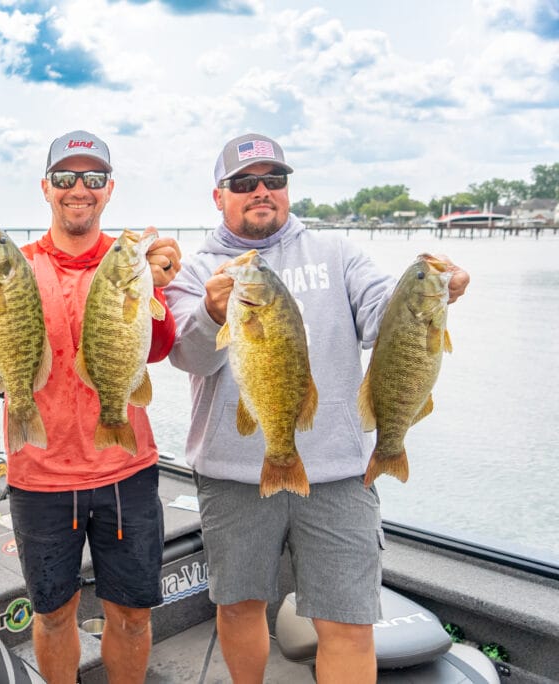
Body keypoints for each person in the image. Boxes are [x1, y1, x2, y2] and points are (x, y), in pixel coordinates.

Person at [164, 132, 470, 683]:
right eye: (244, 183)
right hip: (233, 476)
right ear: (219, 196)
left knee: (349, 624)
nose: (261, 191)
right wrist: (212, 312)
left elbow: (382, 315)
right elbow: (186, 357)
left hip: (340, 474)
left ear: (286, 189)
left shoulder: (339, 252)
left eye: (273, 180)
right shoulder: (195, 269)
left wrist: (437, 293)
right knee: (237, 607)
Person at [0, 130, 183, 683]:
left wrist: (161, 282)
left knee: (131, 614)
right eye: (66, 177)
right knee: (52, 616)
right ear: (46, 189)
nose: (80, 188)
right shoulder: (17, 265)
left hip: (127, 471)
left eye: (93, 178)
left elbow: (164, 347)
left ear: (109, 190)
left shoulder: (134, 265)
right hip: (39, 475)